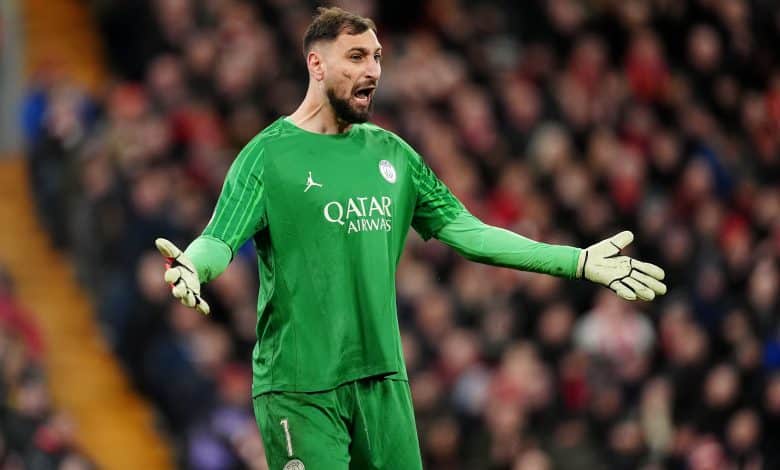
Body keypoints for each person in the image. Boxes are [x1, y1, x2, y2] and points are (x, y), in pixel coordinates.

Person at [155, 7, 667, 469]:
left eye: (377, 57)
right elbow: (219, 239)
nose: (373, 70)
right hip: (300, 388)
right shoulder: (268, 156)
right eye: (356, 56)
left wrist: (576, 261)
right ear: (316, 64)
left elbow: (469, 231)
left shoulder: (394, 156)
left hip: (383, 381)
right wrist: (193, 266)